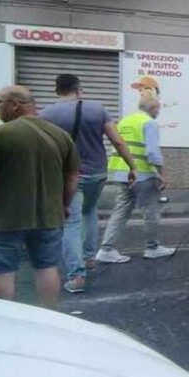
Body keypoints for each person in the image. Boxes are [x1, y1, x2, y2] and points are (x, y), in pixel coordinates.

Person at [0, 86, 78, 308]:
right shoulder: (61, 136)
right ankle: (48, 314)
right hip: (49, 216)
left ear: (15, 104)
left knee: (3, 271)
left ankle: (4, 318)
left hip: (5, 218)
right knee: (47, 267)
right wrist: (64, 205)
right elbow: (72, 177)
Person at [40, 74, 137, 294]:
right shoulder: (98, 110)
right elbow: (117, 140)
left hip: (68, 176)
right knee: (90, 211)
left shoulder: (47, 114)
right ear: (78, 89)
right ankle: (89, 257)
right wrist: (132, 166)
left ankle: (76, 276)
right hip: (97, 173)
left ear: (57, 90)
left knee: (70, 222)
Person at [95, 96, 175, 262]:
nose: (159, 112)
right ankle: (152, 248)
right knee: (150, 211)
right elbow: (152, 153)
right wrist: (162, 174)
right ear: (152, 108)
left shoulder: (125, 121)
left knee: (121, 211)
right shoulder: (149, 123)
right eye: (158, 109)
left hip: (122, 173)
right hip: (143, 174)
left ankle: (106, 249)